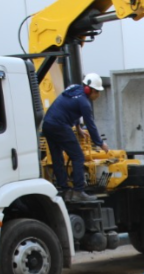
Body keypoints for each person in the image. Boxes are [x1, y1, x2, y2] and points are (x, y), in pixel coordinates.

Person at [42, 72, 106, 202]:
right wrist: (100, 143)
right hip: (60, 126)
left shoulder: (74, 89)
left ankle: (64, 190)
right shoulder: (84, 103)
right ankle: (78, 191)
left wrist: (78, 128)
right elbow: (90, 124)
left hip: (47, 125)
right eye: (97, 92)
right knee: (78, 156)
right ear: (90, 90)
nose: (98, 95)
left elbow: (70, 109)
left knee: (57, 158)